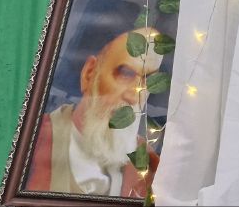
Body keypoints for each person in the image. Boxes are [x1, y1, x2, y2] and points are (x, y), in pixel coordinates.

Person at [26, 27, 163, 197]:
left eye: (149, 81)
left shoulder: (150, 164)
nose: (135, 97)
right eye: (126, 73)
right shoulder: (32, 140)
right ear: (89, 73)